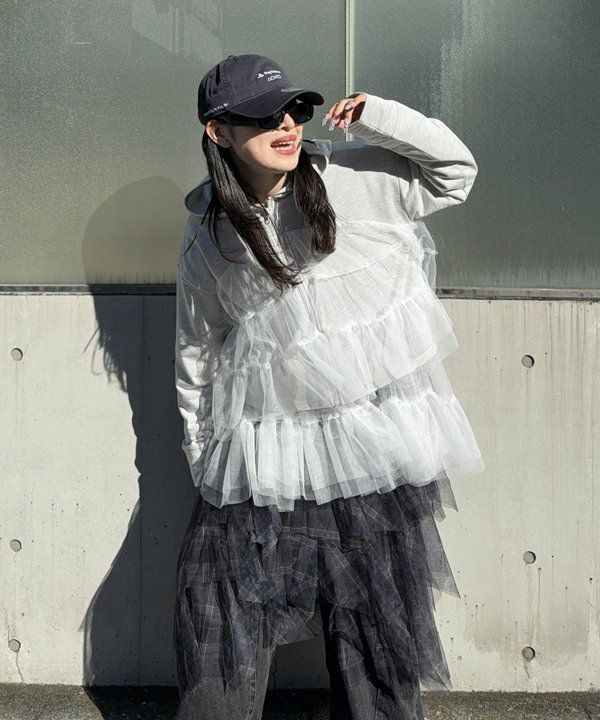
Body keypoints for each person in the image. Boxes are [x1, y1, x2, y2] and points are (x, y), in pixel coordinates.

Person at [172, 53, 484, 720]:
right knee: (220, 618)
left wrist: (381, 117)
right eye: (263, 116)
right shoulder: (209, 235)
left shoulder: (354, 176)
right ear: (218, 132)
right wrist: (203, 459)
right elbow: (197, 351)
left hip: (369, 448)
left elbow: (455, 174)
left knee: (377, 636)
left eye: (292, 110)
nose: (286, 124)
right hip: (269, 451)